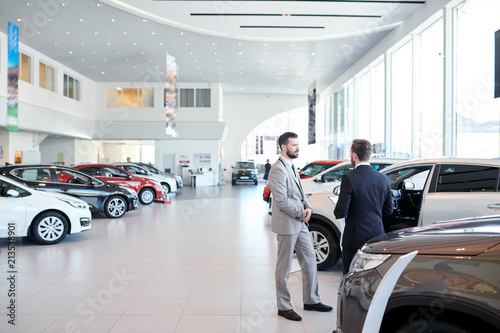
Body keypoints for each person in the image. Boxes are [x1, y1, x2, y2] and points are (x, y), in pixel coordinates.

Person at [268, 132, 333, 322]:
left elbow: (299, 193)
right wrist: (301, 212)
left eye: (298, 144)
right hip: (288, 224)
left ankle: (311, 300)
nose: (298, 148)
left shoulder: (292, 166)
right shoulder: (277, 169)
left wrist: (308, 207)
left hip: (301, 222)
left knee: (310, 261)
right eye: (294, 145)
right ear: (283, 147)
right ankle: (284, 306)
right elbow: (281, 201)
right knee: (284, 267)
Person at [333, 139, 393, 275]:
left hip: (354, 238)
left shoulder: (349, 178)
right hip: (377, 236)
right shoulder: (383, 178)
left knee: (351, 277)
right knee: (372, 277)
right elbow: (388, 210)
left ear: (354, 155)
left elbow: (341, 211)